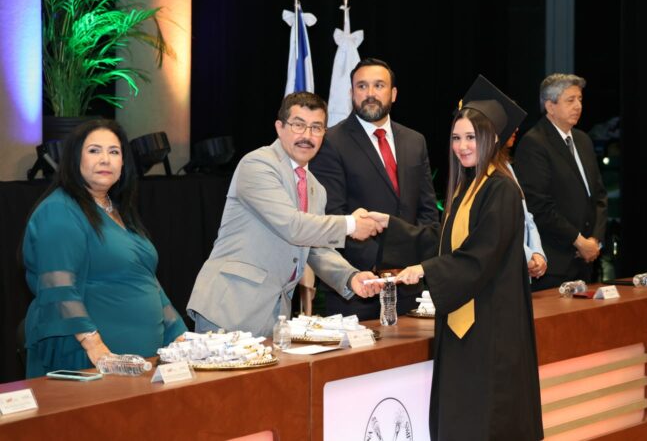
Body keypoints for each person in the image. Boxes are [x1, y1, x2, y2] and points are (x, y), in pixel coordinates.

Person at [367, 79, 543, 440]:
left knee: (486, 421)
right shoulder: (468, 187)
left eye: (471, 138)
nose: (462, 146)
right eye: (456, 138)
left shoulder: (501, 189)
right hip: (465, 325)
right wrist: (391, 226)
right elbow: (444, 243)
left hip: (492, 328)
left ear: (492, 139)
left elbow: (480, 256)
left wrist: (425, 270)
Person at [187, 92, 382, 337]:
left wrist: (350, 277)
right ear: (280, 128)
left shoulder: (316, 189)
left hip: (274, 314)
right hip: (229, 307)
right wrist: (351, 224)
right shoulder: (257, 164)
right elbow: (293, 226)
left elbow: (314, 248)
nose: (307, 136)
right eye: (298, 125)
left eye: (316, 128)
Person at [22, 120, 187, 378]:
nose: (105, 159)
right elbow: (57, 286)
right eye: (94, 150)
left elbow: (148, 282)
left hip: (143, 362)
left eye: (114, 152)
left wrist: (180, 336)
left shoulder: (119, 211)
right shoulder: (59, 210)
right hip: (88, 360)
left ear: (123, 163)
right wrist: (96, 348)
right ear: (74, 159)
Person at [310, 58, 439, 319]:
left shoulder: (415, 141)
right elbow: (333, 216)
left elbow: (427, 212)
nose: (370, 93)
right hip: (359, 288)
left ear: (393, 93)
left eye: (379, 85)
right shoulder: (330, 142)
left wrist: (415, 263)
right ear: (351, 93)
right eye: (362, 86)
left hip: (410, 285)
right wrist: (384, 267)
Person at [513, 73, 608, 291]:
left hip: (587, 260)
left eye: (580, 99)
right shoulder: (534, 143)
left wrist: (594, 241)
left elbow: (599, 196)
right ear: (550, 106)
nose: (578, 106)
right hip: (555, 264)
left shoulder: (583, 140)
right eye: (570, 100)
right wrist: (579, 241)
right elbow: (538, 205)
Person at [505, 129, 547, 279]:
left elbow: (526, 216)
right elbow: (499, 227)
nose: (516, 128)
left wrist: (537, 252)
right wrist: (529, 256)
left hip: (521, 264)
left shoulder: (506, 164)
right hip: (505, 268)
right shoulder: (487, 169)